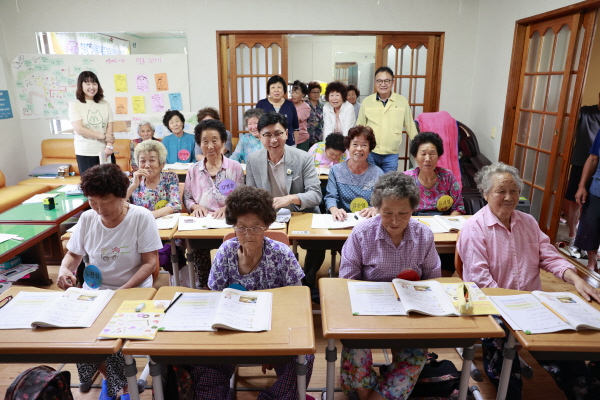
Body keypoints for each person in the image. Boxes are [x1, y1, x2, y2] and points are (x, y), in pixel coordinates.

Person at [458, 162, 600, 400]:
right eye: (500, 191)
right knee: (506, 374)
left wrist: (576, 279)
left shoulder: (528, 222)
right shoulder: (474, 228)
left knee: (570, 357)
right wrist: (516, 311)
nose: (508, 197)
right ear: (485, 194)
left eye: (513, 190)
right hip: (493, 309)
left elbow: (549, 256)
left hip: (533, 307)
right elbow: (480, 283)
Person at [189, 185, 314, 399]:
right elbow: (214, 301)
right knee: (202, 363)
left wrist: (273, 346)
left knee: (303, 358)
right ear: (233, 226)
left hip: (274, 331)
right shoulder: (225, 253)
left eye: (256, 227)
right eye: (241, 227)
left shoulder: (281, 254)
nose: (248, 234)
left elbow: (297, 306)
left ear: (266, 225)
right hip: (230, 332)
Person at [57, 163, 162, 400]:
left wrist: (122, 291)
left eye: (105, 200)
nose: (99, 208)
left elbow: (149, 264)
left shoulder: (140, 217)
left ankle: (119, 383)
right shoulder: (87, 219)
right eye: (93, 201)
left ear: (121, 194)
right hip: (95, 291)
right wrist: (64, 270)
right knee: (77, 333)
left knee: (110, 330)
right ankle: (114, 379)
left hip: (131, 291)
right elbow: (74, 255)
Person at [339, 172, 441, 400]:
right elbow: (347, 283)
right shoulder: (362, 234)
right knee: (354, 346)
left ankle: (372, 395)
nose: (395, 221)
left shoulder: (423, 235)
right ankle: (370, 393)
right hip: (368, 313)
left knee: (415, 355)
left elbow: (434, 282)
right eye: (387, 213)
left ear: (413, 209)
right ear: (377, 208)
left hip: (411, 314)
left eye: (403, 213)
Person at [246, 112, 324, 289]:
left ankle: (308, 282)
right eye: (267, 135)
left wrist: (291, 198)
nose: (273, 140)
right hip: (269, 217)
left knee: (317, 245)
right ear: (259, 136)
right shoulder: (253, 159)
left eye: (278, 134)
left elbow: (316, 194)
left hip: (301, 214)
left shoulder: (303, 158)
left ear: (286, 134)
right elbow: (251, 194)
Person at [183, 119, 244, 288]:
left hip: (228, 222)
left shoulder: (235, 167)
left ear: (223, 142)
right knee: (198, 249)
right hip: (201, 224)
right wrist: (195, 206)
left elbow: (241, 197)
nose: (210, 146)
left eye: (215, 140)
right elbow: (187, 198)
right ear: (199, 144)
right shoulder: (193, 170)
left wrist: (228, 207)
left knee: (232, 256)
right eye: (205, 141)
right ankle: (204, 285)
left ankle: (231, 285)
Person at [357, 66, 418, 173]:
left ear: (392, 82)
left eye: (387, 81)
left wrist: (419, 145)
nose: (383, 84)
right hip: (371, 151)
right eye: (379, 81)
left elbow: (410, 125)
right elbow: (359, 127)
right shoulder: (367, 102)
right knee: (370, 184)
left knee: (389, 185)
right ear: (375, 82)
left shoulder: (401, 101)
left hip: (391, 153)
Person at [561, 93, 600, 252]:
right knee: (575, 200)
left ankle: (591, 247)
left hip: (598, 168)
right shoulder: (585, 112)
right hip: (581, 162)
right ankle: (573, 234)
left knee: (592, 207)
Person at [325, 126, 383, 221]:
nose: (359, 149)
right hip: (343, 219)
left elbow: (383, 199)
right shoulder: (336, 170)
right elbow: (331, 196)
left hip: (368, 220)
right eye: (355, 144)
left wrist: (377, 208)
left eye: (364, 145)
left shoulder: (377, 172)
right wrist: (334, 209)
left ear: (370, 149)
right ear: (348, 147)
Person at [404, 132, 465, 216]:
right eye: (423, 154)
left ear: (438, 156)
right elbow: (400, 209)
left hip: (444, 221)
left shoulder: (447, 176)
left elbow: (458, 207)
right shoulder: (406, 178)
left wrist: (449, 225)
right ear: (415, 157)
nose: (428, 159)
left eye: (432, 154)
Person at [68, 71, 115, 175]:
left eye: (94, 83)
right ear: (81, 85)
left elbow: (110, 126)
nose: (92, 87)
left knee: (111, 184)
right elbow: (79, 129)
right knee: (90, 186)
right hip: (85, 151)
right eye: (87, 84)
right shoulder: (75, 105)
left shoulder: (105, 104)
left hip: (105, 152)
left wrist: (109, 146)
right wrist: (103, 136)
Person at [127, 140, 181, 217]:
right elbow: (120, 206)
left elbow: (176, 205)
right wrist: (133, 186)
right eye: (142, 161)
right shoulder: (132, 182)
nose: (147, 165)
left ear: (162, 164)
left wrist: (150, 215)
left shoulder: (170, 178)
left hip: (166, 224)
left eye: (152, 160)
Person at [574, 131, 600, 271]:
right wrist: (582, 186)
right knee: (590, 226)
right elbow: (593, 158)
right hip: (598, 186)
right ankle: (592, 262)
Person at [256, 75, 299, 146]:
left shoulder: (290, 104)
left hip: (288, 145)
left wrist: (295, 144)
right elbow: (257, 126)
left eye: (279, 87)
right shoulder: (261, 104)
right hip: (267, 145)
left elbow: (296, 128)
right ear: (268, 90)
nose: (276, 90)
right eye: (273, 87)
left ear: (284, 89)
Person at [291, 80, 311, 151]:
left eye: (296, 93)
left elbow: (296, 119)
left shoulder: (306, 107)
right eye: (292, 92)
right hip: (289, 138)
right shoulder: (288, 103)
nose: (293, 95)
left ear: (303, 94)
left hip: (302, 139)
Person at [306, 81, 324, 146]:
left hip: (319, 138)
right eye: (313, 92)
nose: (316, 94)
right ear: (309, 93)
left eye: (318, 92)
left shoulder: (323, 106)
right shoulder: (304, 104)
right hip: (307, 138)